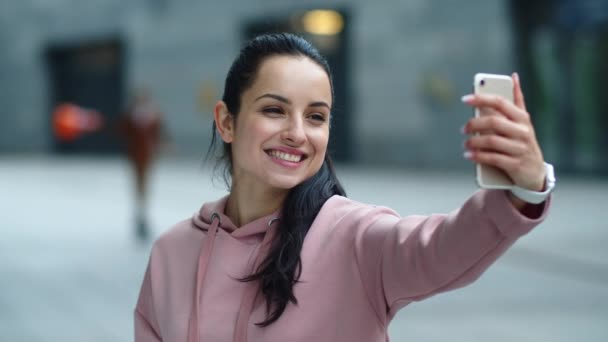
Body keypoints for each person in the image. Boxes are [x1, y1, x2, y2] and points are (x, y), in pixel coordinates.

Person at [134, 33, 554, 342]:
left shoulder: (357, 238)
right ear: (226, 121)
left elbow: (443, 246)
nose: (297, 133)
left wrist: (523, 187)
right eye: (275, 110)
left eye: (316, 117)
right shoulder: (172, 253)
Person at [119, 89, 164, 241]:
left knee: (144, 186)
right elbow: (124, 131)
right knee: (138, 186)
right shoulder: (133, 115)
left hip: (146, 155)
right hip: (136, 155)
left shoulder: (152, 115)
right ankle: (140, 215)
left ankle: (143, 215)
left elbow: (158, 133)